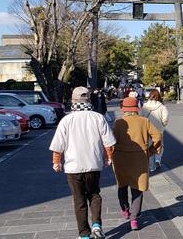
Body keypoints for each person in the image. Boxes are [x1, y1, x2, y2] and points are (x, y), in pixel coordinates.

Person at [49, 86, 116, 239]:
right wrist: (109, 157)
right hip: (93, 164)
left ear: (72, 101)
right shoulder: (98, 117)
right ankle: (97, 225)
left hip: (73, 167)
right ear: (89, 100)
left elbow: (58, 145)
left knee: (79, 200)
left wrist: (56, 161)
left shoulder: (67, 120)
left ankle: (84, 234)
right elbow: (108, 142)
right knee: (94, 194)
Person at [112, 96, 162, 231]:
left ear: (124, 110)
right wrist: (153, 150)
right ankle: (134, 219)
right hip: (139, 157)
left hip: (120, 157)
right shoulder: (144, 121)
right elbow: (157, 136)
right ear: (137, 109)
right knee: (137, 188)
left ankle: (125, 209)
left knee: (122, 185)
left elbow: (111, 140)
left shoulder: (118, 122)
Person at [140, 89, 169, 172]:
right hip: (159, 129)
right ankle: (157, 159)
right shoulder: (161, 106)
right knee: (160, 145)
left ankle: (151, 167)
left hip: (147, 129)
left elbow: (141, 117)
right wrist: (162, 124)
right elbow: (165, 118)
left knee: (149, 147)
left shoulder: (145, 106)